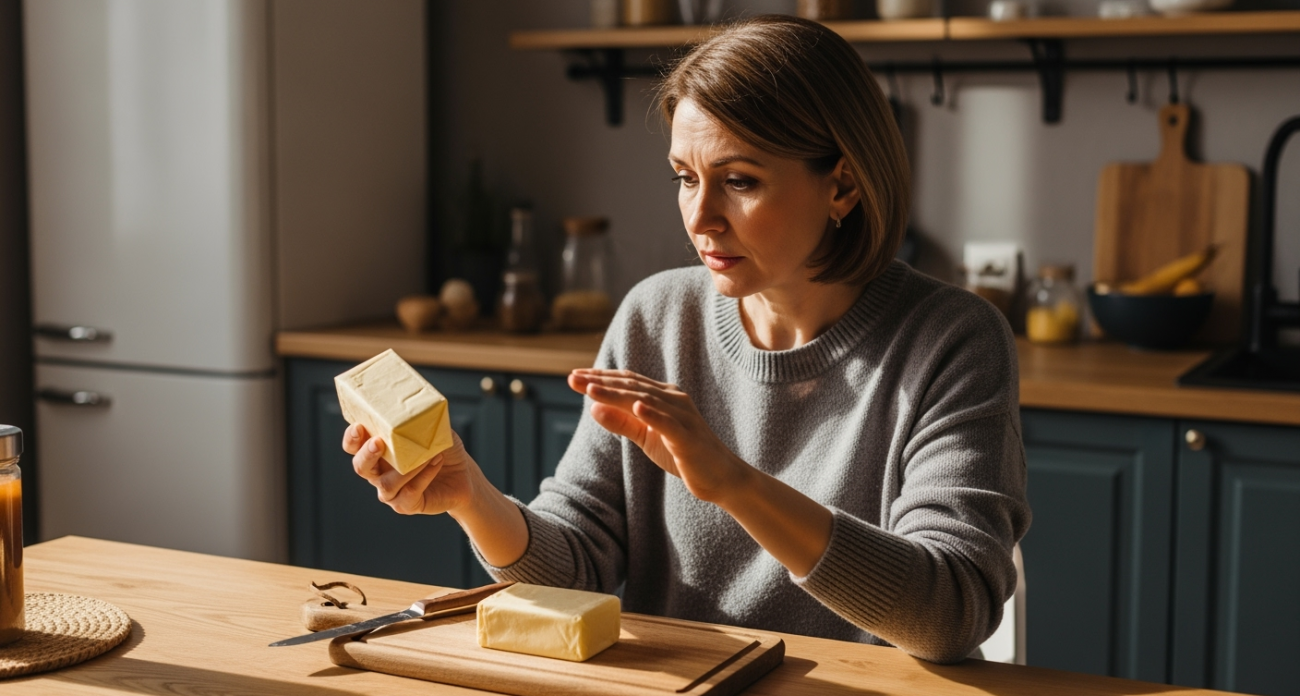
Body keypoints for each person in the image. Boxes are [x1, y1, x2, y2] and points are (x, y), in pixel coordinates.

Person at [344, 15, 1030, 664]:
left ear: (843, 185)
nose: (701, 217)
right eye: (684, 178)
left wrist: (732, 482)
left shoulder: (952, 340)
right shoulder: (657, 316)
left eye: (739, 181)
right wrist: (469, 495)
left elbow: (951, 614)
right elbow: (577, 563)